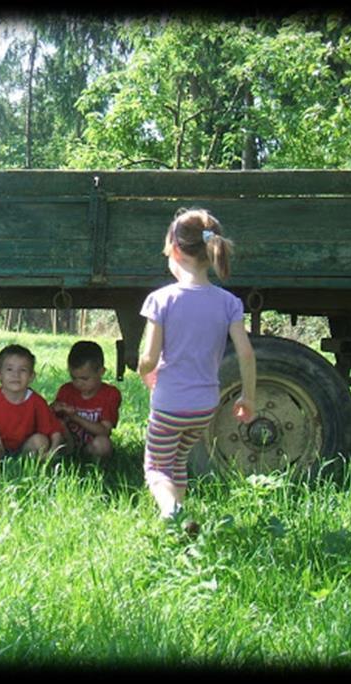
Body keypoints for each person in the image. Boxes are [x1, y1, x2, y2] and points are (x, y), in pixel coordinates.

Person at [138, 208, 256, 524]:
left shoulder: (161, 300)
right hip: (204, 407)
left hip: (170, 404)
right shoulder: (229, 302)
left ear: (175, 250)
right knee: (177, 461)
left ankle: (172, 512)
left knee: (156, 467)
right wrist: (248, 396)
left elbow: (149, 357)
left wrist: (143, 371)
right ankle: (181, 526)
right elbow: (245, 353)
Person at [0, 344, 64, 469]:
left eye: (22, 370)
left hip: (25, 450)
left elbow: (54, 431)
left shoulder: (37, 402)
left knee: (40, 441)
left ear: (31, 376)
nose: (15, 375)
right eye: (9, 369)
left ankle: (28, 472)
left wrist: (52, 452)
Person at [51, 341, 122, 462]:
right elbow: (49, 419)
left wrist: (74, 417)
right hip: (67, 443)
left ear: (101, 372)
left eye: (84, 378)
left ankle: (95, 471)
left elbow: (104, 431)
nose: (78, 383)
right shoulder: (66, 390)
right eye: (74, 378)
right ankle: (66, 457)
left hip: (92, 445)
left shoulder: (110, 394)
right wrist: (53, 408)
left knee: (103, 444)